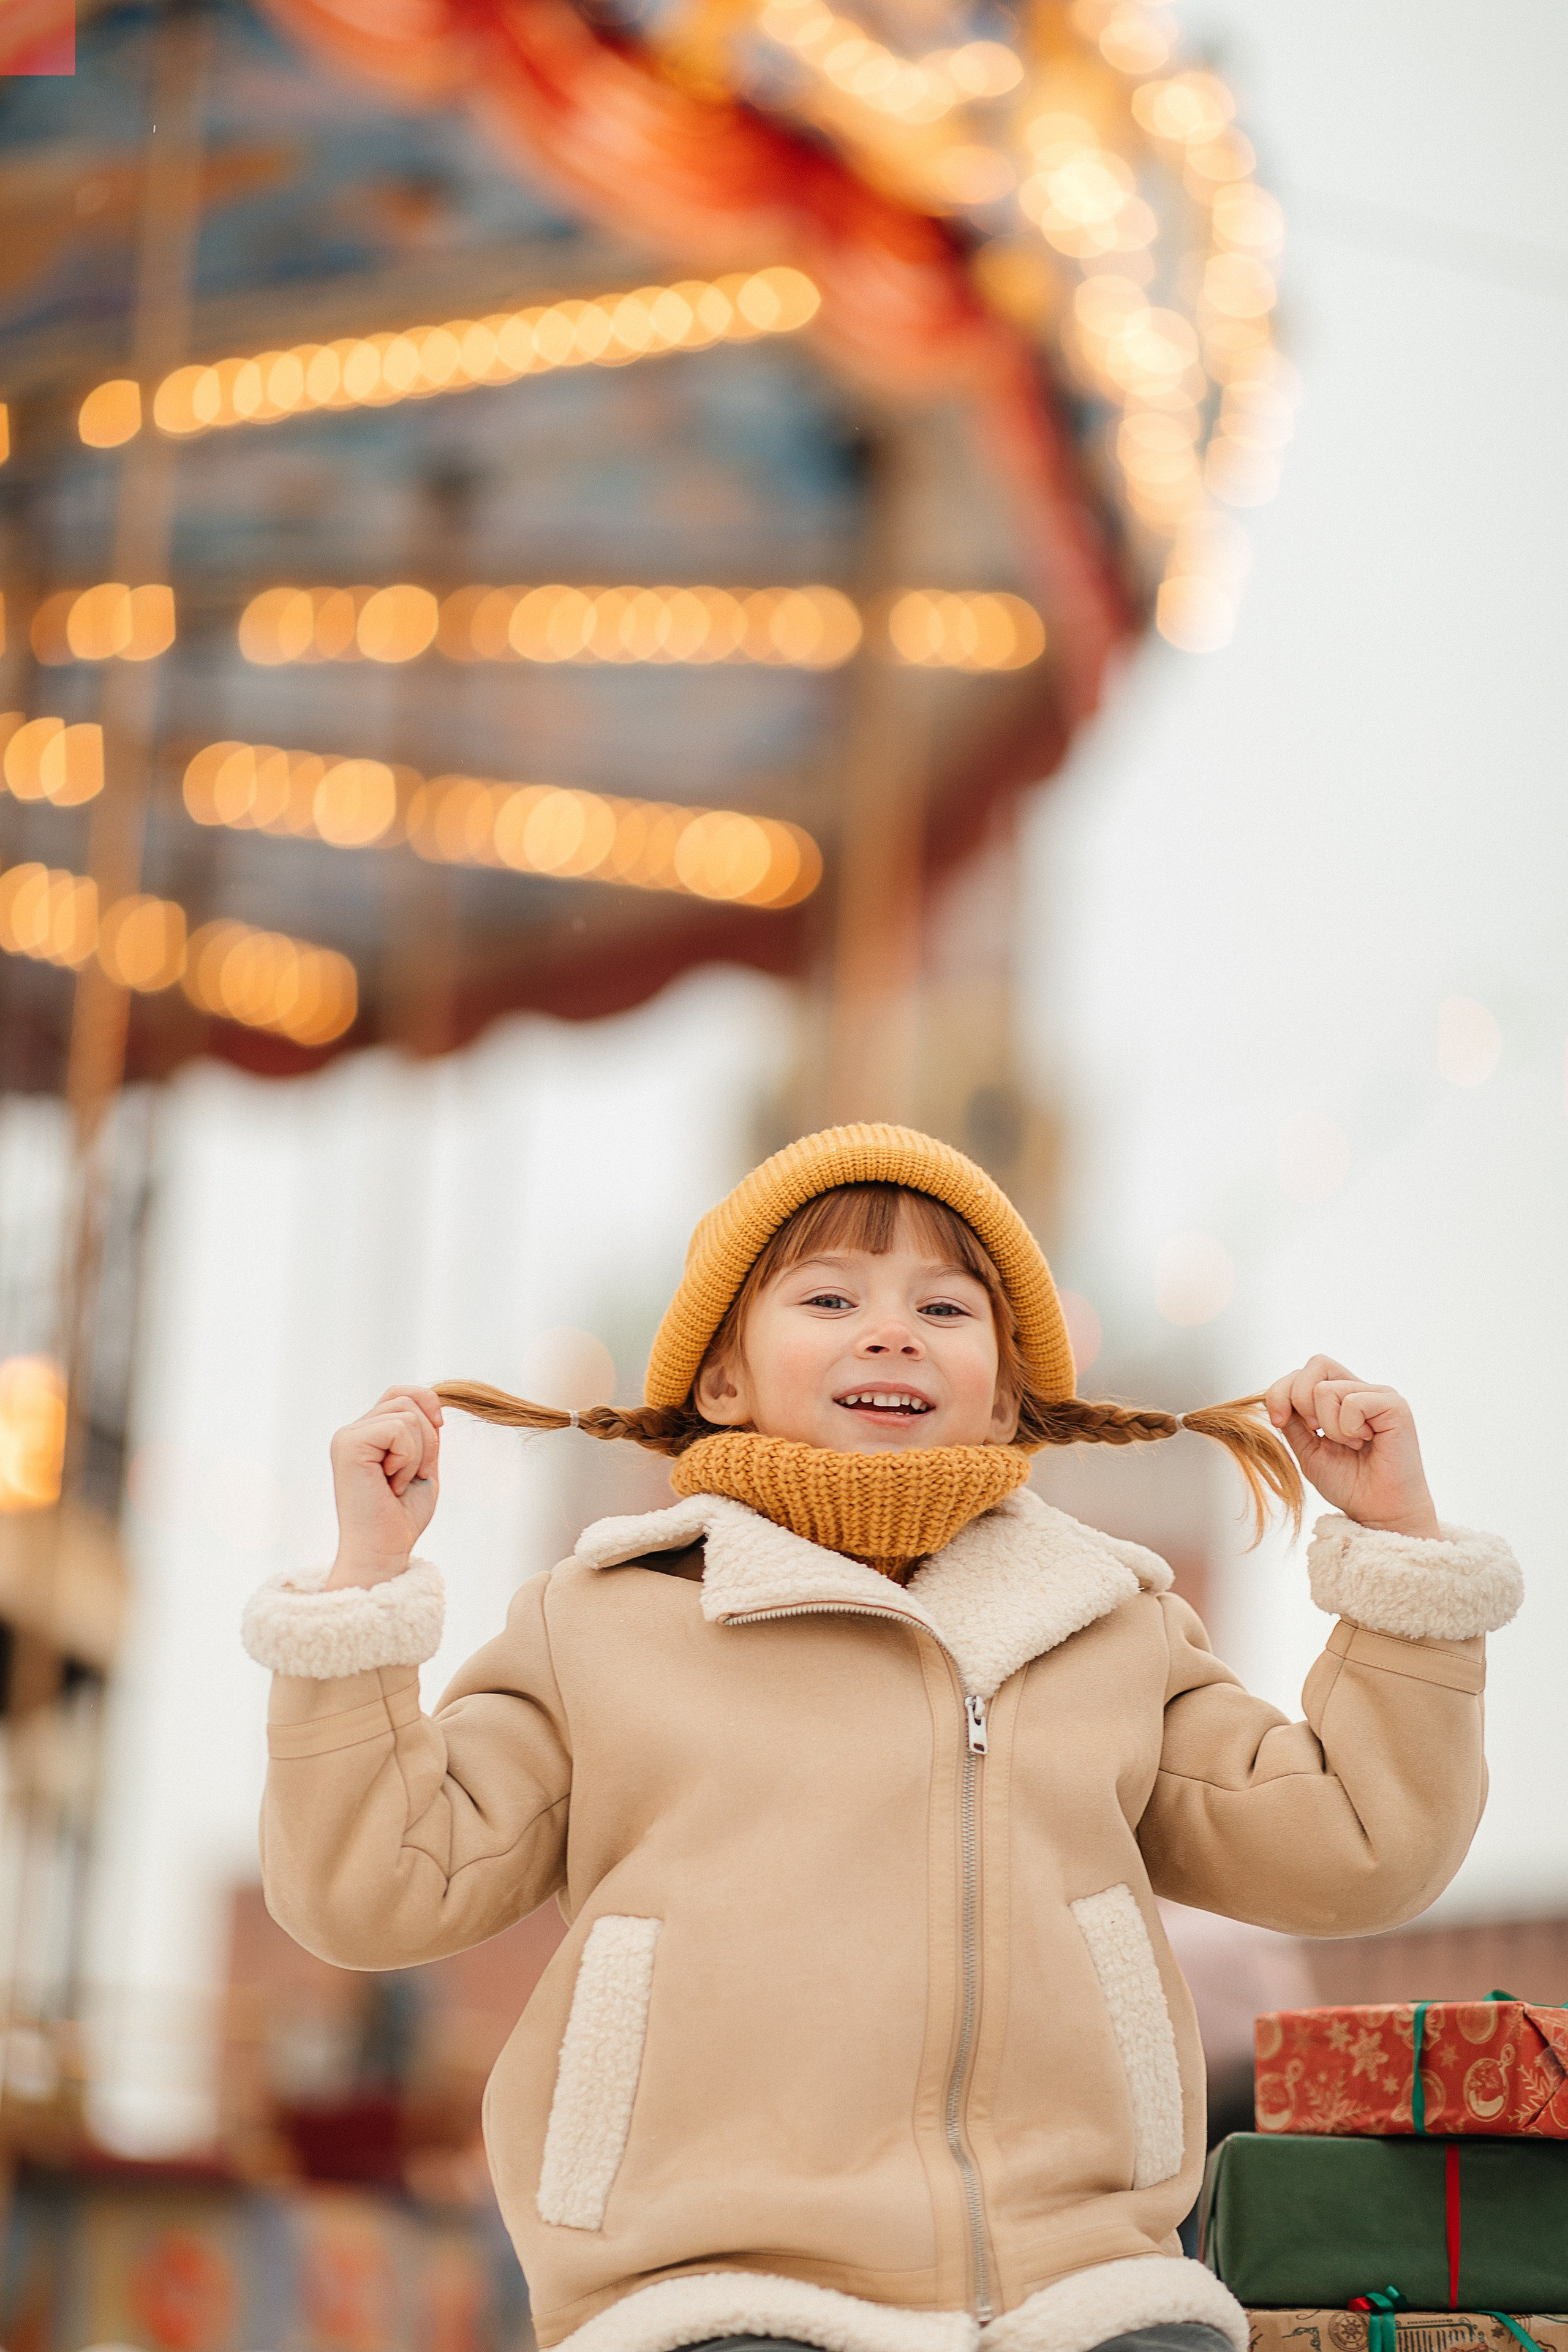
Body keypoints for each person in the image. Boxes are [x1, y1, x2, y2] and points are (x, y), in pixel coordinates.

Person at [243, 1124, 1521, 2352]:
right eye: (829, 1298)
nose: (893, 1329)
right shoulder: (603, 1626)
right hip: (709, 2286)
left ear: (1006, 1393)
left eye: (945, 1307)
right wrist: (363, 1591)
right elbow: (377, 1888)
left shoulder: (1109, 1630)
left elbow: (1354, 1847)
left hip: (1080, 2290)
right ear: (722, 1378)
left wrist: (1397, 1551)